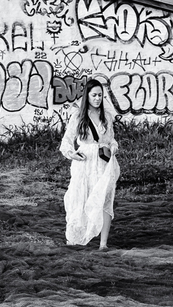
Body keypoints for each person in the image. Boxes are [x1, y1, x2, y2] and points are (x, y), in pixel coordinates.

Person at [60, 78, 120, 249]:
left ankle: (103, 244)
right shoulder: (78, 117)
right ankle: (77, 237)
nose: (97, 98)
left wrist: (114, 147)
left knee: (104, 199)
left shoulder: (106, 116)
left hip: (103, 163)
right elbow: (66, 141)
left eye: (100, 95)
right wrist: (72, 154)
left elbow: (111, 139)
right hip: (84, 163)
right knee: (80, 199)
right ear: (87, 96)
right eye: (94, 95)